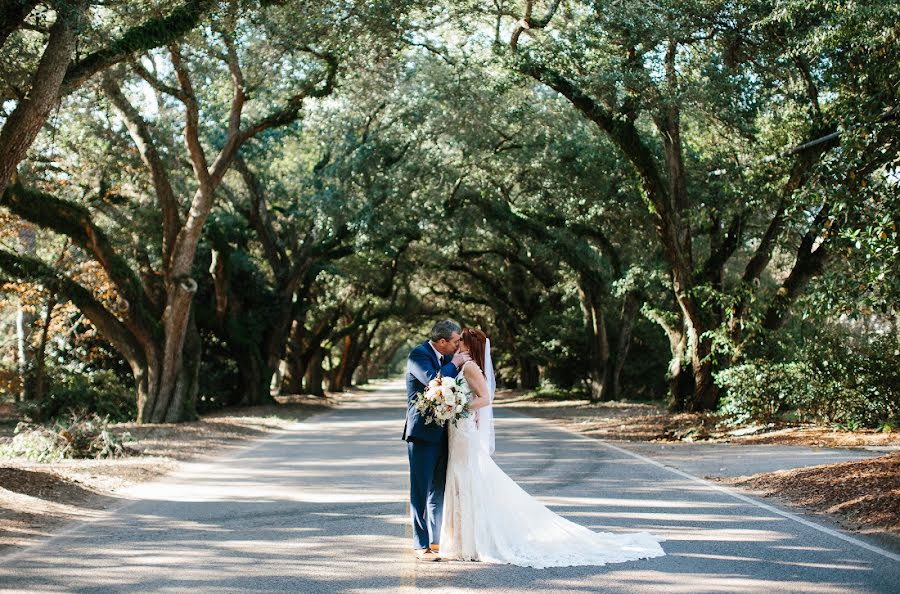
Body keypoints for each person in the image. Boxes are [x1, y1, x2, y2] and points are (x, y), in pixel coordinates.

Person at [440, 327, 666, 567]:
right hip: (459, 430)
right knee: (462, 480)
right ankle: (464, 540)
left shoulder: (471, 367)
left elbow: (485, 398)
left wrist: (461, 408)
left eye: (461, 340)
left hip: (463, 429)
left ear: (469, 344)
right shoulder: (467, 366)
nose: (457, 344)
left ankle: (471, 542)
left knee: (466, 480)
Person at [402, 319, 471, 562]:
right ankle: (420, 544)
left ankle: (435, 541)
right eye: (454, 341)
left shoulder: (445, 358)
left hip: (445, 433)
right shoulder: (418, 356)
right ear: (442, 342)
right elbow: (437, 382)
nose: (457, 346)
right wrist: (455, 363)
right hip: (422, 433)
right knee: (420, 489)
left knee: (438, 490)